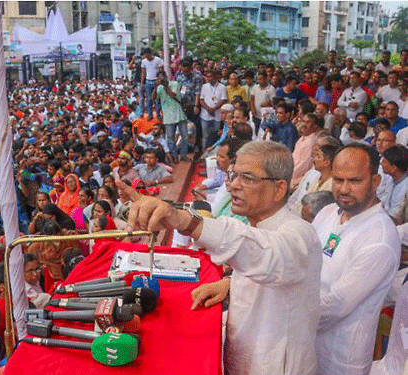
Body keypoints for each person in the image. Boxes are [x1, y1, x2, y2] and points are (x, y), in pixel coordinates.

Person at [118, 140, 322, 375]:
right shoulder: (260, 226)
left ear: (279, 188)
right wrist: (230, 284)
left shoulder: (300, 234)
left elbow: (269, 258)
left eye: (247, 178)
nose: (234, 185)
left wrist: (187, 222)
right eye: (233, 175)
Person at [312, 143, 400, 374]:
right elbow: (301, 261)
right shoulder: (328, 213)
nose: (344, 189)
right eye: (338, 180)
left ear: (375, 181)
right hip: (306, 341)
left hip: (339, 358)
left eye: (355, 181)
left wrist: (284, 317)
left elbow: (335, 305)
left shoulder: (379, 237)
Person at [153, 71, 188, 162]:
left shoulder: (175, 84)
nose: (161, 80)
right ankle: (174, 155)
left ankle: (184, 155)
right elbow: (152, 99)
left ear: (165, 77)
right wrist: (156, 86)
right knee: (170, 138)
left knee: (184, 136)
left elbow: (173, 95)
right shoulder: (159, 88)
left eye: (162, 78)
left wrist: (166, 86)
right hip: (168, 116)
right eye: (159, 79)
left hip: (179, 114)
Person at [200, 69, 228, 151]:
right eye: (207, 77)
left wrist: (214, 109)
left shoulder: (222, 87)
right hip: (205, 115)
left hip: (217, 115)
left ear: (215, 77)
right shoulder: (204, 86)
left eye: (211, 76)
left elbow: (223, 100)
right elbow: (201, 99)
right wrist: (209, 109)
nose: (209, 78)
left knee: (216, 135)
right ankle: (203, 152)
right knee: (205, 135)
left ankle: (214, 152)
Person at [379, 144, 408, 216]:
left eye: (384, 162)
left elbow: (397, 215)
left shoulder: (405, 188)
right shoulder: (390, 180)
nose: (381, 163)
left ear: (394, 168)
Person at [140, 48, 164, 120]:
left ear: (149, 53)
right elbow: (143, 72)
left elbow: (161, 71)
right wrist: (142, 83)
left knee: (158, 99)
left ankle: (158, 115)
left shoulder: (158, 60)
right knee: (149, 99)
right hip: (148, 81)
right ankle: (150, 115)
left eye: (146, 54)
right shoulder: (144, 61)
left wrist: (160, 80)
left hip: (156, 81)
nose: (145, 56)